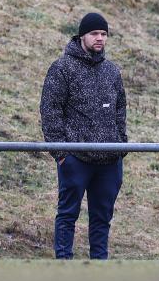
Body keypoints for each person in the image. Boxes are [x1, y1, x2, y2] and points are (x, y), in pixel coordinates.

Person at [40, 13, 127, 259]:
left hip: (110, 161)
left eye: (103, 34)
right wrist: (61, 153)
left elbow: (121, 109)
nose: (100, 39)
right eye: (94, 34)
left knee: (102, 218)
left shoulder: (112, 71)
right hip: (75, 159)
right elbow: (50, 111)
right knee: (67, 214)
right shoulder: (62, 68)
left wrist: (120, 145)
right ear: (82, 36)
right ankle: (64, 267)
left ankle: (99, 268)